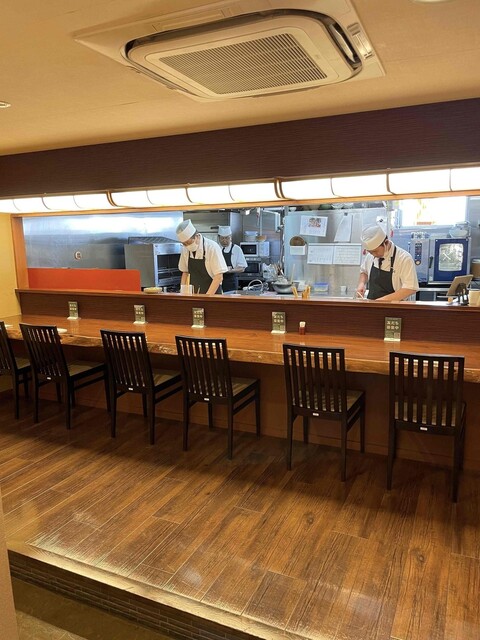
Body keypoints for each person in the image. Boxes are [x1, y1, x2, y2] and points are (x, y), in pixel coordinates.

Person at [356, 224, 419, 301]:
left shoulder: (404, 258)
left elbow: (410, 288)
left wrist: (381, 301)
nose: (374, 255)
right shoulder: (370, 256)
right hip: (373, 305)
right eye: (370, 252)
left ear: (386, 242)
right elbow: (364, 271)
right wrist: (361, 284)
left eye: (375, 251)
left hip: (395, 306)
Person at [176, 219, 227, 294]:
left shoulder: (212, 247)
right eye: (184, 244)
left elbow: (219, 277)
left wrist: (207, 297)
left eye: (189, 242)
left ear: (197, 236)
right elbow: (185, 272)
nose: (187, 246)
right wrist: (183, 292)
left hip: (212, 294)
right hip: (194, 294)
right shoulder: (185, 249)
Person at [217, 225, 247, 292]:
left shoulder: (236, 249)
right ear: (218, 238)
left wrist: (230, 270)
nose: (224, 241)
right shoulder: (215, 248)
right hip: (217, 281)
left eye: (227, 238)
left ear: (231, 237)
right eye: (222, 238)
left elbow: (242, 268)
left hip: (231, 282)